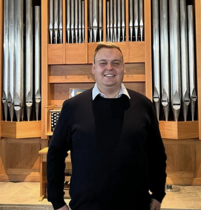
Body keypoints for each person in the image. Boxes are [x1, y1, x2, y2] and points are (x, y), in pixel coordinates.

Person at [47, 42, 167, 210]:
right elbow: (55, 154)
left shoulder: (143, 105)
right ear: (94, 68)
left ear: (124, 68)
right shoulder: (72, 107)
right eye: (103, 62)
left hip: (136, 205)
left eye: (116, 63)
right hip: (86, 206)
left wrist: (157, 194)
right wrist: (57, 201)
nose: (109, 68)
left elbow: (157, 154)